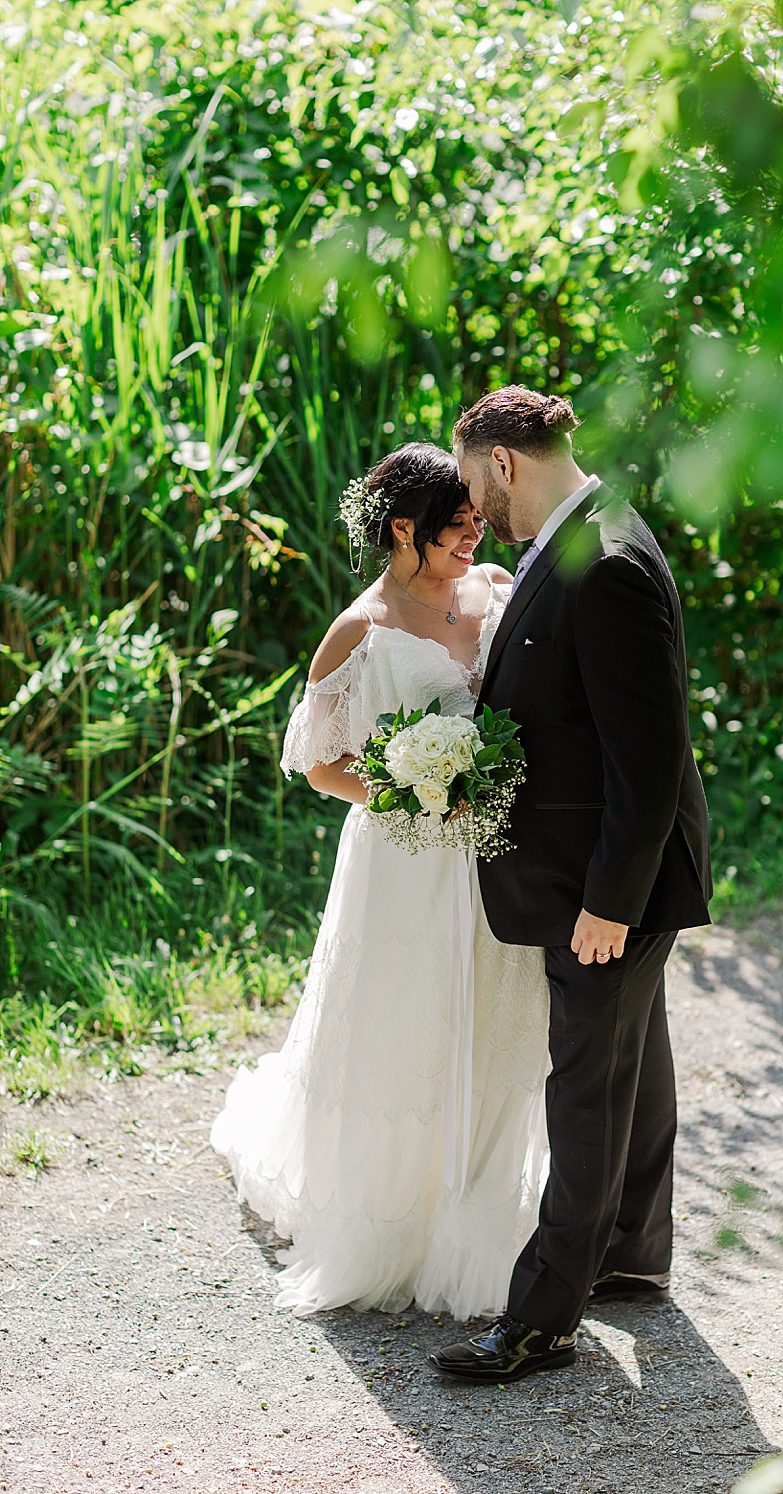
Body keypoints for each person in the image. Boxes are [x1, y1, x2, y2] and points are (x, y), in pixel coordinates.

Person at [211, 443, 551, 1318]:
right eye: (457, 528)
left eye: (478, 523)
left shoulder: (497, 589)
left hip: (491, 849)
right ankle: (394, 1218)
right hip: (402, 861)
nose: (475, 538)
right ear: (404, 529)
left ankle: (481, 1213)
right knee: (405, 1021)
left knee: (489, 1012)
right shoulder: (360, 627)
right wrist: (415, 794)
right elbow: (321, 765)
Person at [428, 388, 712, 1383]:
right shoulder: (576, 536)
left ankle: (542, 1321)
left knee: (584, 1083)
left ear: (502, 461)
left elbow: (649, 753)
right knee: (634, 1056)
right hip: (597, 871)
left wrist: (610, 900)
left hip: (606, 881)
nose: (472, 505)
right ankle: (630, 1254)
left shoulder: (611, 560)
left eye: (471, 482)